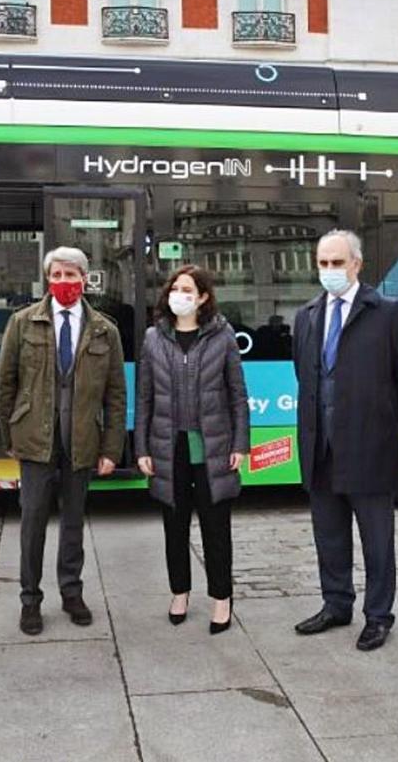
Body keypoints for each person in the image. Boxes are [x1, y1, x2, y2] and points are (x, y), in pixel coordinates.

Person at [291, 230, 398, 651]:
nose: (329, 271)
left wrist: (378, 421)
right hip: (320, 449)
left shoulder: (386, 313)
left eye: (337, 263)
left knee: (376, 540)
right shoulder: (307, 315)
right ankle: (336, 603)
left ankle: (378, 615)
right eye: (323, 263)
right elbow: (305, 376)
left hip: (369, 448)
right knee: (329, 535)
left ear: (356, 265)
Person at [0, 246, 127, 636]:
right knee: (32, 522)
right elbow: (6, 382)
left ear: (84, 279)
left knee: (73, 524)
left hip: (82, 442)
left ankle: (72, 593)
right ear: (47, 279)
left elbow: (116, 396)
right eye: (57, 276)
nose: (64, 283)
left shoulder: (105, 329)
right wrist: (9, 437)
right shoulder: (22, 323)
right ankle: (30, 600)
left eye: (72, 276)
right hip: (35, 441)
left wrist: (111, 449)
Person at [135, 265, 250, 634]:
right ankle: (179, 592)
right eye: (174, 288)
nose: (178, 294)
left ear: (202, 297)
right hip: (169, 447)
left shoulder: (222, 335)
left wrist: (240, 444)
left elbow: (237, 395)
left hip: (213, 446)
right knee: (175, 527)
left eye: (187, 289)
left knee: (216, 528)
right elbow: (145, 397)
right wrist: (141, 448)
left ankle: (221, 599)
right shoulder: (154, 338)